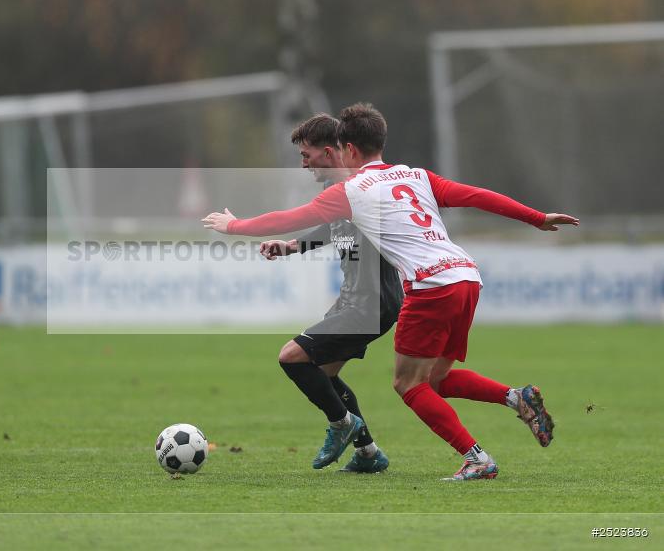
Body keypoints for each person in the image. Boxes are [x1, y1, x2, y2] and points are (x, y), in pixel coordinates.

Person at [203, 103, 578, 480]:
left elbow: (286, 218)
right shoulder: (415, 175)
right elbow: (475, 195)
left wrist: (234, 226)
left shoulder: (352, 190)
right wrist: (536, 217)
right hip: (465, 276)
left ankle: (477, 458)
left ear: (347, 149)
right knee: (436, 381)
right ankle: (516, 397)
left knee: (407, 384)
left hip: (430, 286)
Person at [260, 113, 401, 472]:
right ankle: (368, 454)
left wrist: (235, 226)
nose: (303, 164)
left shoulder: (361, 187)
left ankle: (343, 424)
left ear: (328, 151)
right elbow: (332, 230)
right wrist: (291, 246)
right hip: (362, 300)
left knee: (291, 357)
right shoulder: (336, 192)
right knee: (323, 373)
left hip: (369, 302)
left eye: (306, 156)